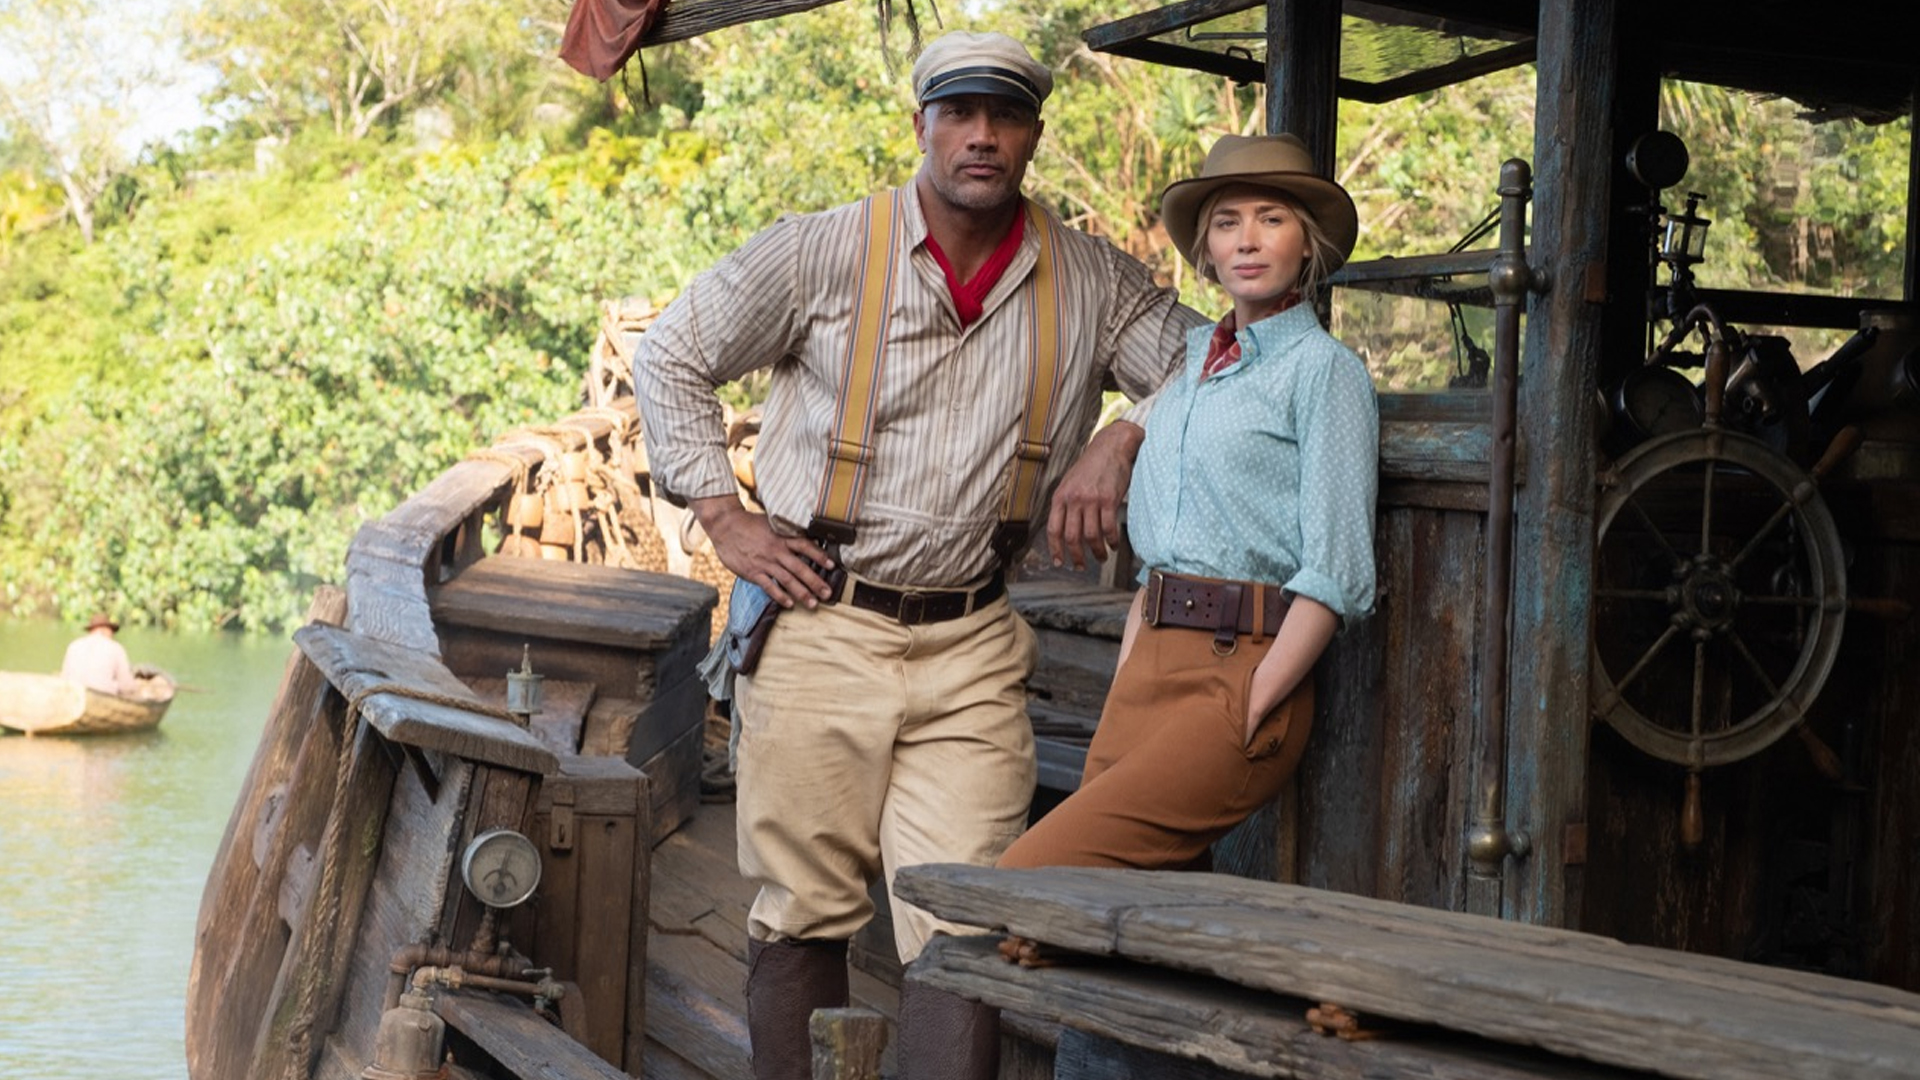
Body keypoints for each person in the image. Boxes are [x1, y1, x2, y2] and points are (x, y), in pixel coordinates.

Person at [632, 29, 1205, 1080]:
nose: (982, 136)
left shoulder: (1089, 278)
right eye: (960, 113)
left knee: (965, 916)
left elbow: (1217, 362)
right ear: (922, 127)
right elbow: (671, 354)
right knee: (804, 909)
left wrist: (1123, 435)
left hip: (974, 640)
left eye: (1007, 117)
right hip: (819, 621)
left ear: (1032, 134)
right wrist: (724, 517)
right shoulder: (820, 249)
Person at [996, 133, 1379, 874]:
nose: (1248, 240)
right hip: (1147, 664)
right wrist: (1133, 667)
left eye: (1272, 219)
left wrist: (1258, 695)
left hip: (1244, 670)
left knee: (1030, 879)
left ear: (1308, 242)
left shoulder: (1324, 373)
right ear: (1206, 248)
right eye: (1228, 222)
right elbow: (1159, 549)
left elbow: (1336, 569)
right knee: (1138, 907)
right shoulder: (1192, 369)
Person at [61, 613, 141, 696]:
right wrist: (136, 687)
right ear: (106, 630)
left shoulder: (73, 646)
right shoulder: (116, 648)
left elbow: (64, 679)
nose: (112, 635)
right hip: (103, 697)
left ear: (91, 630)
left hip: (73, 695)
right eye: (112, 631)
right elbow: (126, 686)